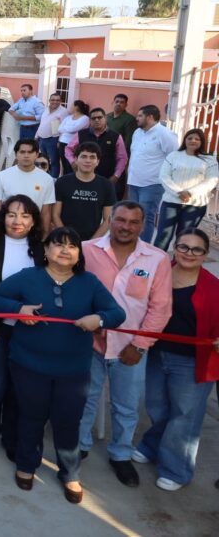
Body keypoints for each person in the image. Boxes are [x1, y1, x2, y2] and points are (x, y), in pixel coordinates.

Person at [0, 226, 126, 503]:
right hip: (29, 365)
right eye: (58, 244)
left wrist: (98, 319)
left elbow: (117, 313)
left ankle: (70, 473)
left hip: (72, 370)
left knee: (68, 422)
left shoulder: (90, 283)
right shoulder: (29, 278)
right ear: (46, 250)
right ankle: (27, 465)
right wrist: (18, 310)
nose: (65, 250)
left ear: (79, 254)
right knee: (31, 417)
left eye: (72, 246)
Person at [79, 201, 173, 488]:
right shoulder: (87, 250)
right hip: (89, 343)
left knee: (127, 406)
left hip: (130, 348)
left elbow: (161, 308)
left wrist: (141, 344)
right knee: (85, 399)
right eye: (120, 220)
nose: (126, 227)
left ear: (142, 226)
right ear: (111, 220)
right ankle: (78, 447)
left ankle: (120, 455)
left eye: (133, 222)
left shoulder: (156, 259)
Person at [134, 229, 219, 490]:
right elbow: (135, 300)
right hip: (157, 353)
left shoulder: (214, 288)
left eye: (196, 250)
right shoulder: (157, 272)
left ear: (205, 256)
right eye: (183, 247)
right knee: (157, 406)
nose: (188, 254)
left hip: (192, 360)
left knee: (184, 414)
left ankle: (176, 469)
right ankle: (152, 445)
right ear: (174, 247)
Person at [0, 194, 43, 459]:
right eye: (12, 214)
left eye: (25, 215)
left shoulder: (41, 249)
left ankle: (12, 438)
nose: (17, 221)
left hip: (28, 331)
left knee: (18, 387)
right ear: (3, 217)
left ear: (33, 220)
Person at [155, 128, 218, 251]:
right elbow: (164, 176)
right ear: (185, 140)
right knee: (163, 237)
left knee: (184, 239)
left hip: (195, 205)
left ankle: (179, 267)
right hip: (171, 203)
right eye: (190, 138)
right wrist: (178, 192)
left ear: (202, 141)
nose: (193, 141)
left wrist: (190, 193)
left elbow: (212, 180)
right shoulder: (173, 156)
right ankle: (157, 267)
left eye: (197, 139)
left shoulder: (209, 160)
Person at [127, 105, 180, 242]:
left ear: (150, 117)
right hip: (134, 182)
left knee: (145, 217)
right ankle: (132, 244)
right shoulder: (137, 133)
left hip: (152, 184)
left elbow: (174, 158)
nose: (136, 118)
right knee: (133, 216)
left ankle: (143, 249)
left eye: (140, 116)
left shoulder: (165, 134)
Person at [53, 142, 116, 241]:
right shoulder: (62, 182)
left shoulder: (106, 185)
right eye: (84, 156)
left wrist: (91, 242)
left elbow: (108, 219)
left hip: (92, 240)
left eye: (92, 157)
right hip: (64, 239)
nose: (88, 161)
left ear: (98, 161)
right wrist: (66, 237)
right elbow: (55, 214)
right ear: (76, 160)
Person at [0, 139, 56, 232]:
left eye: (30, 152)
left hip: (34, 232)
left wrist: (44, 236)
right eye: (22, 152)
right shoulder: (1, 176)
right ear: (16, 154)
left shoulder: (47, 179)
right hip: (7, 230)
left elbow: (46, 213)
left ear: (37, 154)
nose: (26, 155)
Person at [64, 107, 128, 183]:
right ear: (90, 121)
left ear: (105, 118)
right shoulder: (81, 134)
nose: (96, 120)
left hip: (107, 178)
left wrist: (116, 175)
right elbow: (68, 149)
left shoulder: (115, 136)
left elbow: (122, 158)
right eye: (93, 118)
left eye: (99, 117)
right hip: (84, 176)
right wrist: (73, 162)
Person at [35, 92, 68, 178]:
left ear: (61, 101)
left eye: (57, 100)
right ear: (49, 100)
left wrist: (59, 141)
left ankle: (53, 180)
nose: (55, 102)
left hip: (53, 139)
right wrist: (36, 135)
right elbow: (42, 123)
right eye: (53, 100)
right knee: (44, 160)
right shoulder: (46, 109)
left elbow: (64, 128)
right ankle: (45, 178)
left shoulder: (63, 111)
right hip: (41, 139)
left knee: (54, 161)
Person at [56, 100, 90, 176]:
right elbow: (59, 128)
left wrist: (66, 128)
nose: (70, 107)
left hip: (74, 144)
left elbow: (73, 129)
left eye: (71, 105)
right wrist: (68, 128)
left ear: (76, 107)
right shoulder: (68, 118)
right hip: (62, 142)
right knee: (64, 164)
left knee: (71, 164)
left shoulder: (85, 118)